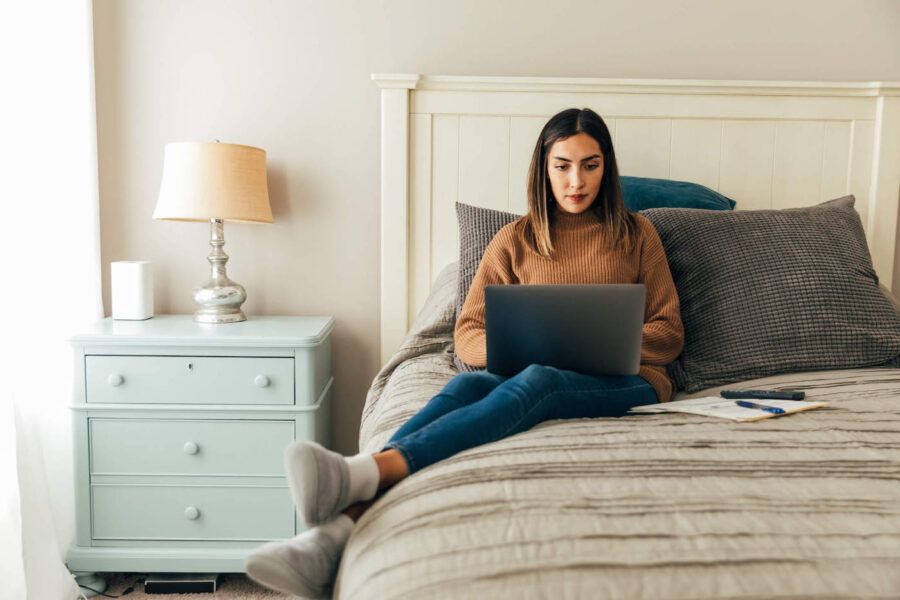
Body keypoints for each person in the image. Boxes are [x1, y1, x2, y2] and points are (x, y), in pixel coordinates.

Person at [244, 107, 684, 598]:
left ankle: (364, 472)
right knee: (468, 383)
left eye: (590, 164)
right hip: (524, 370)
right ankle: (329, 536)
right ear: (543, 168)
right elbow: (468, 333)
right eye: (562, 165)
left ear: (608, 167)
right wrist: (521, 348)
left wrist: (601, 346)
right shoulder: (514, 240)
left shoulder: (636, 234)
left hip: (632, 380)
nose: (576, 180)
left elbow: (668, 332)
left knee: (542, 379)